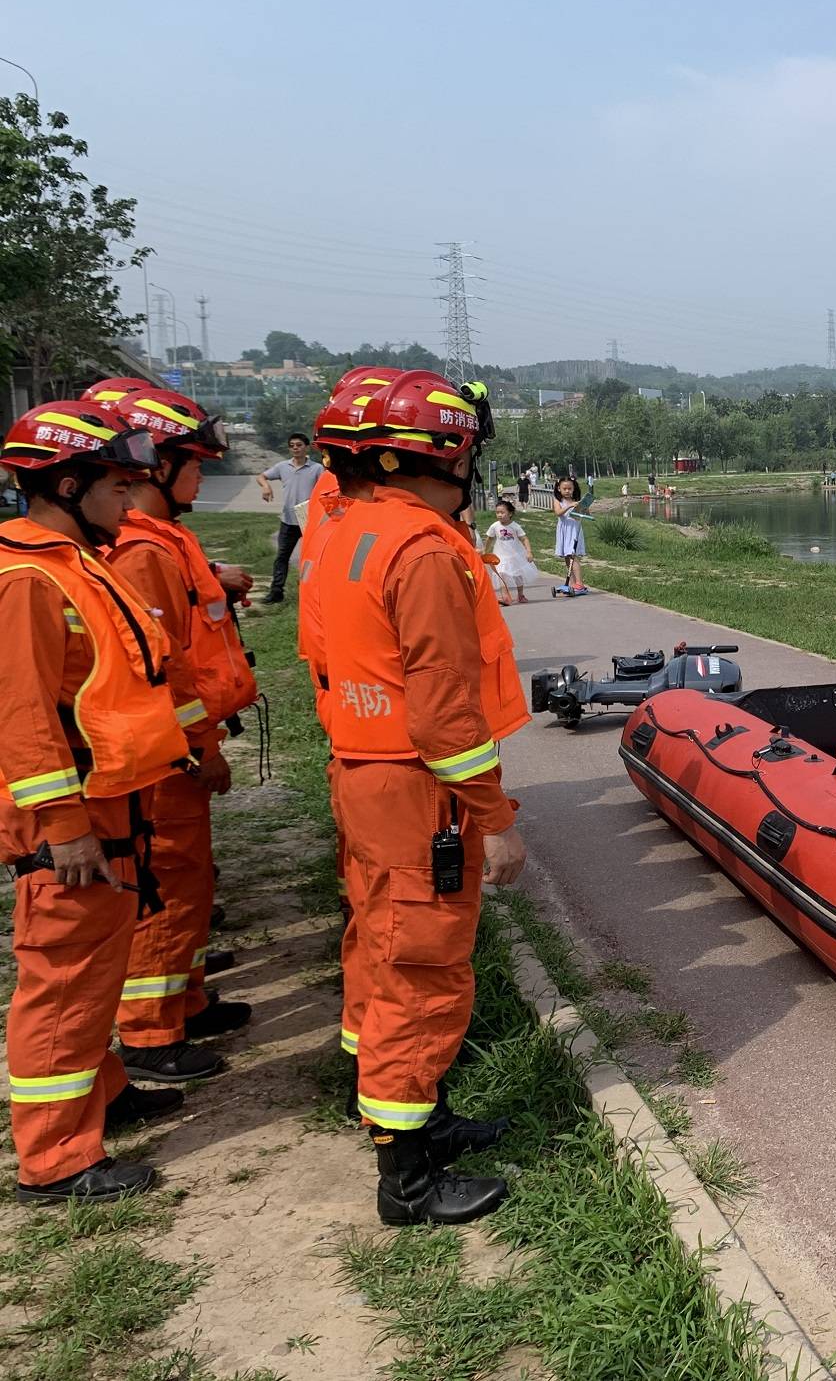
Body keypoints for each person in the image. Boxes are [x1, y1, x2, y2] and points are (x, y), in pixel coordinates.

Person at [302, 369, 525, 1225]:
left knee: (381, 948)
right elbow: (445, 714)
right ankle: (410, 1181)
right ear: (444, 455)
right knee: (422, 973)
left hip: (367, 772)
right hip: (421, 787)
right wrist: (494, 819)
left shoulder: (348, 530)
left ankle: (415, 1121)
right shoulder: (425, 550)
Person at [1, 401, 192, 1203]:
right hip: (68, 819)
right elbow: (21, 717)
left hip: (107, 800)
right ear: (68, 483)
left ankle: (104, 1094)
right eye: (117, 483)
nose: (131, 495)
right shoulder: (28, 580)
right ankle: (54, 1159)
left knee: (96, 971)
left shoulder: (78, 559)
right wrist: (64, 826)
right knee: (64, 978)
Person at [80, 381, 261, 1085]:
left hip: (182, 746)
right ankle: (153, 1035)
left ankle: (184, 1001)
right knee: (166, 888)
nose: (202, 474)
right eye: (194, 463)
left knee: (186, 885)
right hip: (167, 757)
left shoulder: (165, 542)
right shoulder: (141, 553)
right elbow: (161, 671)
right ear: (160, 465)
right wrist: (200, 751)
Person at [257, 432, 325, 604]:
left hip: (309, 520)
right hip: (288, 520)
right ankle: (276, 592)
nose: (295, 448)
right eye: (292, 445)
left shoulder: (317, 469)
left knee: (314, 558)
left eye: (299, 445)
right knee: (282, 557)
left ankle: (315, 593)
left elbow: (325, 490)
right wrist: (266, 487)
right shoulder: (283, 467)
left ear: (306, 447)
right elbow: (261, 476)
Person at [485, 499, 539, 604]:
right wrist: (485, 551)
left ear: (510, 513)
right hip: (500, 556)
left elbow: (524, 539)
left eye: (502, 512)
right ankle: (505, 596)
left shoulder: (515, 526)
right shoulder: (495, 526)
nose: (499, 515)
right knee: (501, 573)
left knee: (517, 574)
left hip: (515, 555)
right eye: (497, 512)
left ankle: (520, 595)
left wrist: (529, 552)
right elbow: (489, 539)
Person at [552, 477, 587, 596]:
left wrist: (584, 508)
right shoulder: (558, 500)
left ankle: (579, 584)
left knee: (573, 556)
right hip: (563, 530)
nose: (567, 491)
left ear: (573, 489)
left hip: (574, 530)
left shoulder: (576, 500)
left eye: (569, 488)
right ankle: (572, 583)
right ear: (559, 489)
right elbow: (558, 513)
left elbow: (582, 515)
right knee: (567, 557)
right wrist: (569, 505)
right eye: (564, 488)